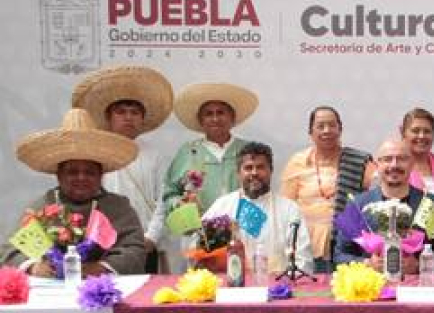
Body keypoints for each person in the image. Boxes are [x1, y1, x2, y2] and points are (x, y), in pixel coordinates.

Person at [1, 109, 145, 276]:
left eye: (89, 172)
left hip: (105, 287)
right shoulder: (43, 207)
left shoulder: (118, 208)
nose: (81, 177)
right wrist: (34, 267)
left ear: (101, 176)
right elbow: (10, 251)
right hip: (50, 289)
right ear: (58, 175)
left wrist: (101, 267)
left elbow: (134, 251)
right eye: (72, 172)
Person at [71, 65, 174, 273]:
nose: (128, 117)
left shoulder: (155, 155)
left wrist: (151, 237)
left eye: (134, 113)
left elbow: (164, 200)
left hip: (143, 243)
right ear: (108, 117)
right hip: (97, 245)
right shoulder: (94, 153)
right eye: (121, 112)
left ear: (142, 119)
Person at [160, 82, 258, 271]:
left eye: (221, 112)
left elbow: (260, 192)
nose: (215, 118)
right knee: (203, 284)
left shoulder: (247, 150)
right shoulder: (188, 152)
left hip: (242, 233)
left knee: (242, 279)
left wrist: (251, 227)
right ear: (200, 120)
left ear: (232, 118)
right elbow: (169, 192)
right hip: (200, 236)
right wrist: (181, 204)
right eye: (208, 113)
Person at [333, 139, 434, 274]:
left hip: (418, 285)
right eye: (387, 159)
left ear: (412, 164)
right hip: (371, 284)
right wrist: (367, 264)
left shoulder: (433, 205)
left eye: (402, 159)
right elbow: (339, 256)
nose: (394, 165)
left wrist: (419, 265)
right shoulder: (358, 206)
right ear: (377, 165)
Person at [280, 106, 376, 273]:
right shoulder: (297, 162)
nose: (327, 130)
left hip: (348, 248)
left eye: (332, 125)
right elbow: (286, 208)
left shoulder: (358, 162)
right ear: (310, 132)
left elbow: (379, 193)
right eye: (320, 126)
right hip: (305, 248)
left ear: (340, 129)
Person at [203, 142, 314, 275]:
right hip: (233, 284)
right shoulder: (223, 206)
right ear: (238, 173)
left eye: (260, 167)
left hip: (279, 284)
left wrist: (284, 281)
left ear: (271, 171)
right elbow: (201, 247)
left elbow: (303, 260)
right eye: (248, 168)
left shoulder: (289, 209)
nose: (254, 173)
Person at [400, 107, 434, 212]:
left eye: (427, 131)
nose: (421, 136)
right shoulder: (395, 165)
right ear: (404, 133)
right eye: (415, 131)